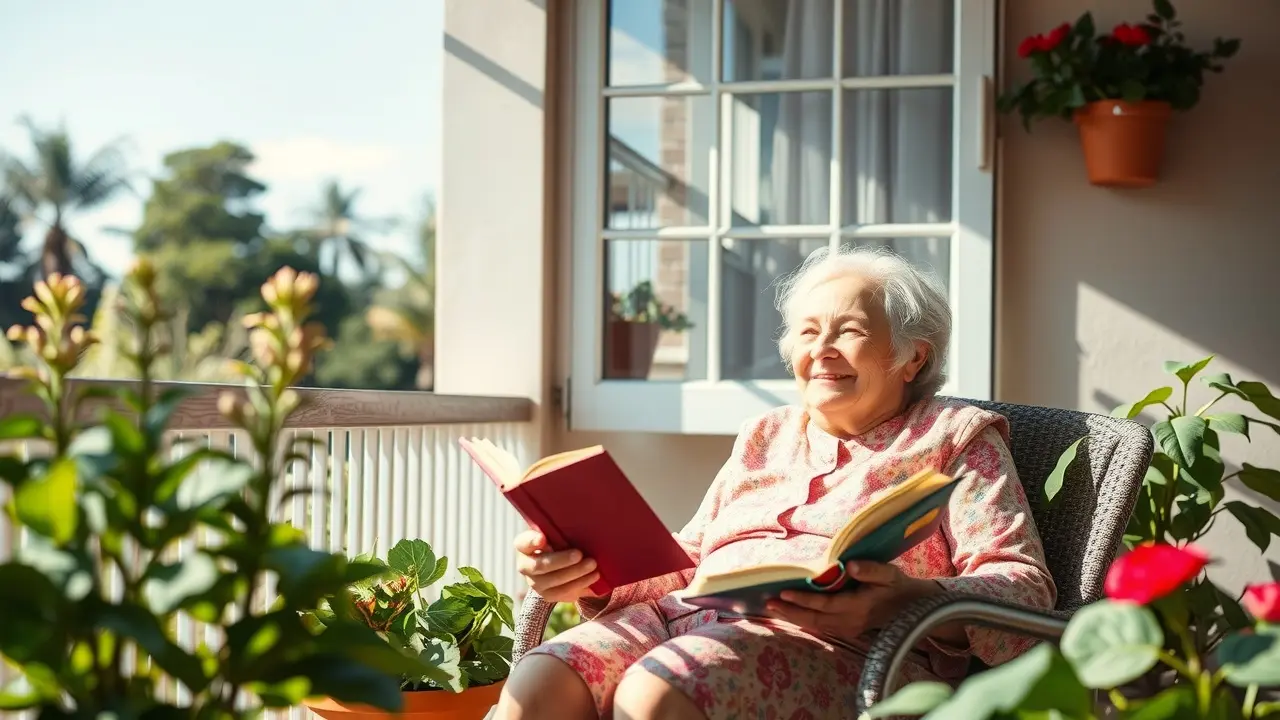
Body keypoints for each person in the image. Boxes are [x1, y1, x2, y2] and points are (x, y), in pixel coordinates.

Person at [491, 246, 1057, 720]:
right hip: (677, 617)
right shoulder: (765, 433)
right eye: (809, 332)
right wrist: (591, 572)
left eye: (851, 330)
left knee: (656, 689)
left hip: (844, 649)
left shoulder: (955, 439)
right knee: (538, 685)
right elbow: (691, 563)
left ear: (913, 356)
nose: (821, 350)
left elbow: (1023, 586)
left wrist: (905, 600)